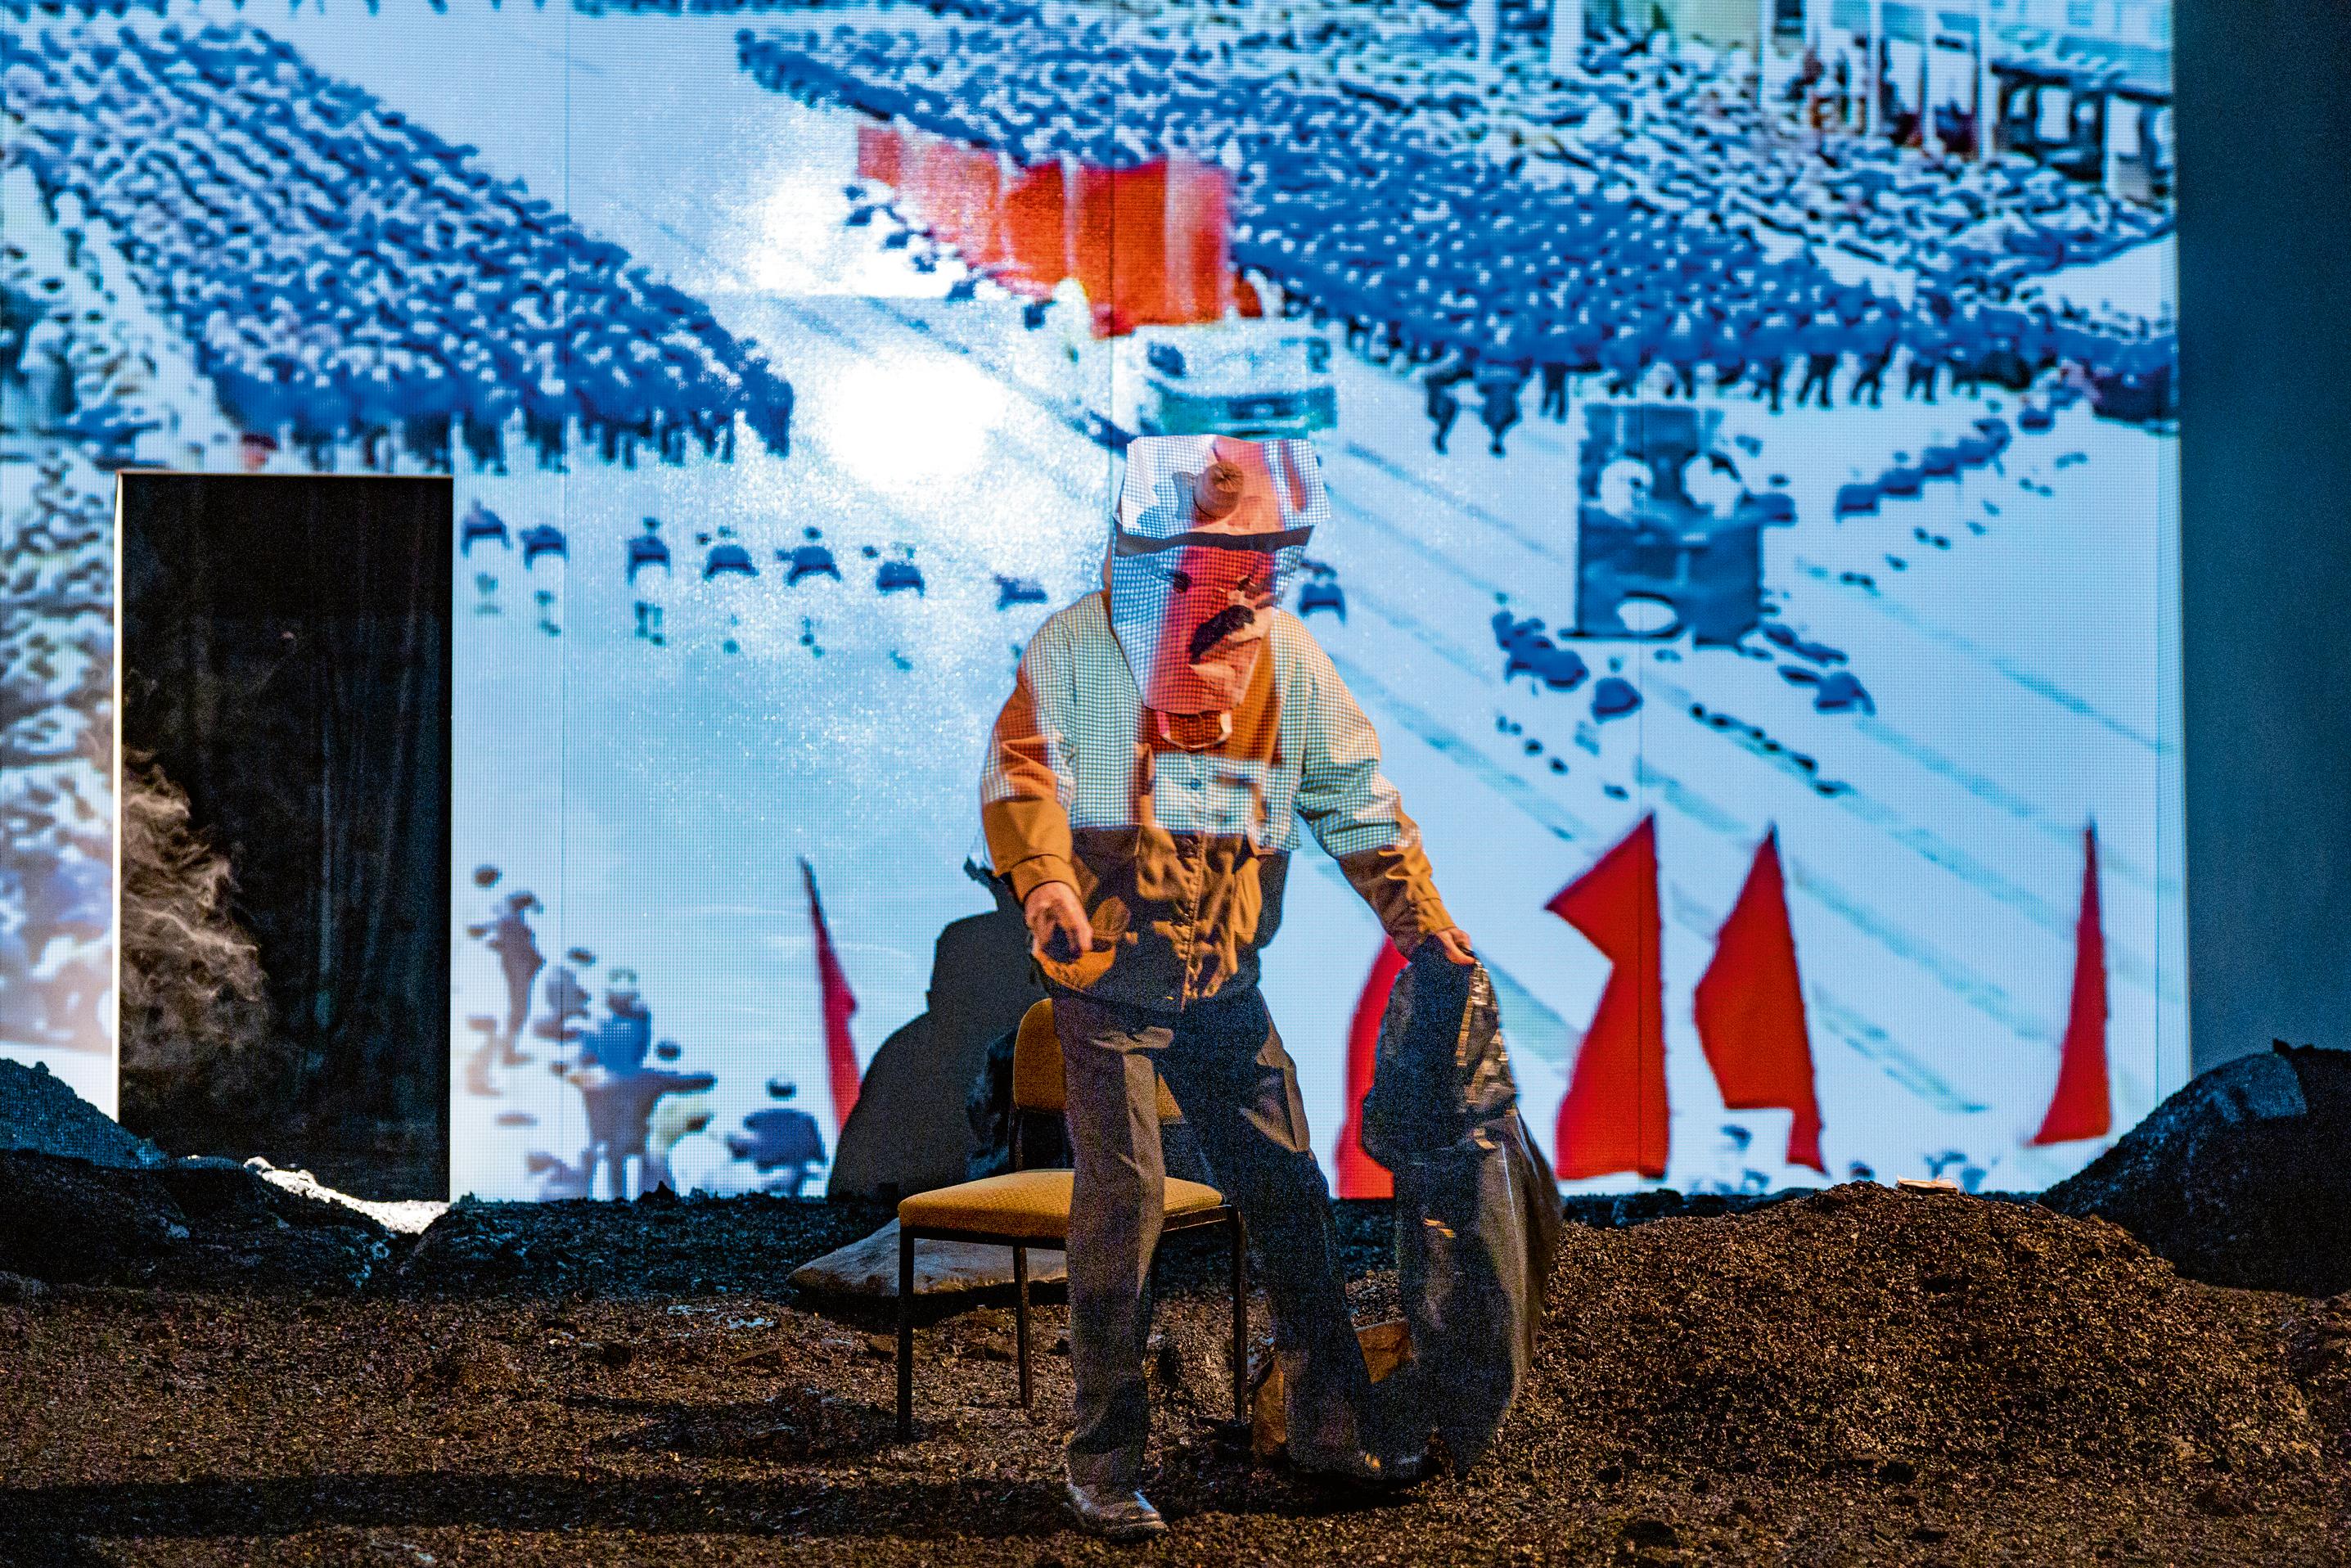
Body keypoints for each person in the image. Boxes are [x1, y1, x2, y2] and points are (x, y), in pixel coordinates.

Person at [982, 435, 1474, 1543]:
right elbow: (1026, 774)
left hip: (1222, 991)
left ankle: (1327, 1425)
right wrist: (1047, 881)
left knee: (1292, 1199)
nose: (1244, 585)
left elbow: (1355, 803)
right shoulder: (1080, 653)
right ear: (1155, 554)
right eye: (1219, 560)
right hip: (1109, 994)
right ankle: (1102, 1465)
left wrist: (1423, 926)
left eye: (1261, 562)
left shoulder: (1285, 666)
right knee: (1128, 1211)